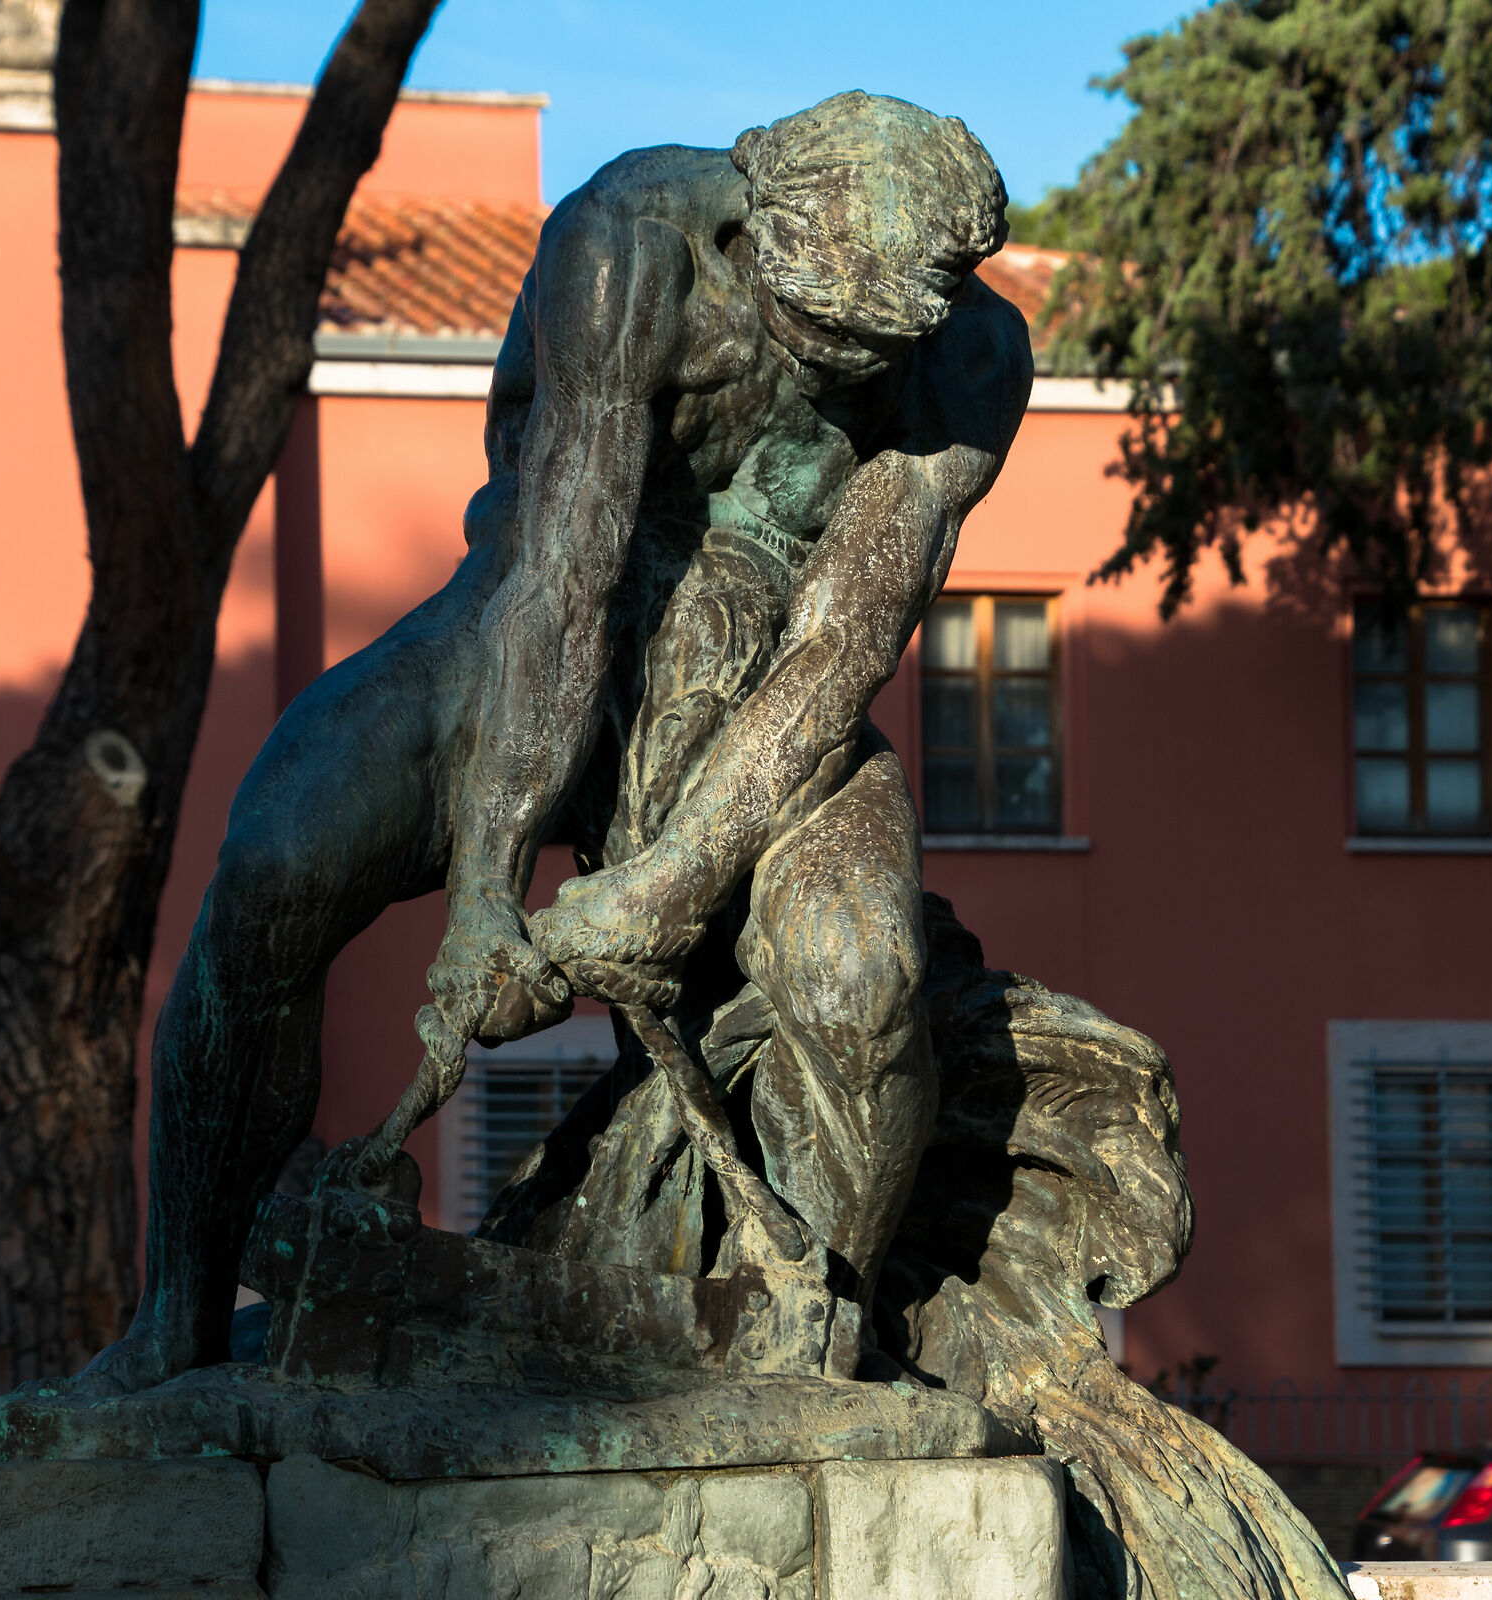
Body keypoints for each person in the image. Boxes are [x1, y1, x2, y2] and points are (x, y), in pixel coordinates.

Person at [74, 90, 1032, 1395]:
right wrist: (486, 891)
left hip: (762, 674)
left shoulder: (972, 362)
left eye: (873, 352)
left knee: (863, 973)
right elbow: (567, 571)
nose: (838, 375)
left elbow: (840, 648)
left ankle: (825, 1357)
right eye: (817, 335)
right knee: (277, 862)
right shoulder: (631, 243)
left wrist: (675, 879)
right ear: (755, 230)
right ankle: (176, 1315)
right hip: (528, 610)